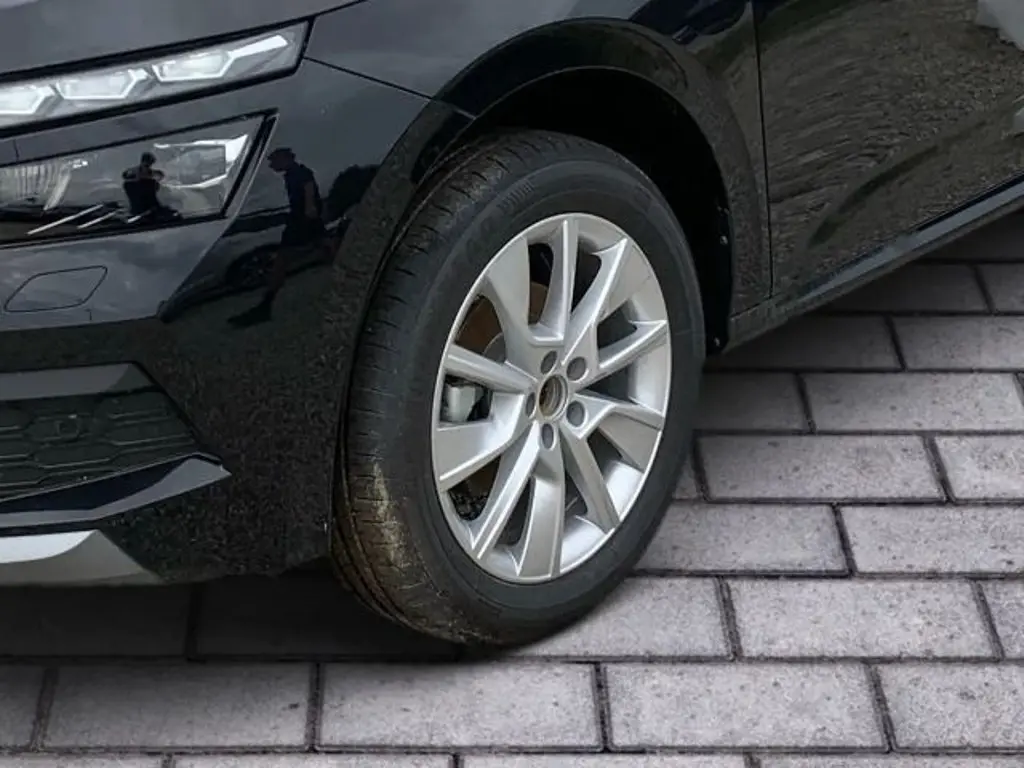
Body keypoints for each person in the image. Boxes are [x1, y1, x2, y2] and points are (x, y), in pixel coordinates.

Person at [229, 148, 327, 327]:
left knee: (284, 258)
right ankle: (266, 305)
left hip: (303, 220)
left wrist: (310, 206)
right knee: (322, 244)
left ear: (285, 158)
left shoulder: (299, 172)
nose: (272, 165)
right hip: (301, 219)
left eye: (274, 161)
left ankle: (265, 305)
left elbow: (309, 187)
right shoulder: (290, 175)